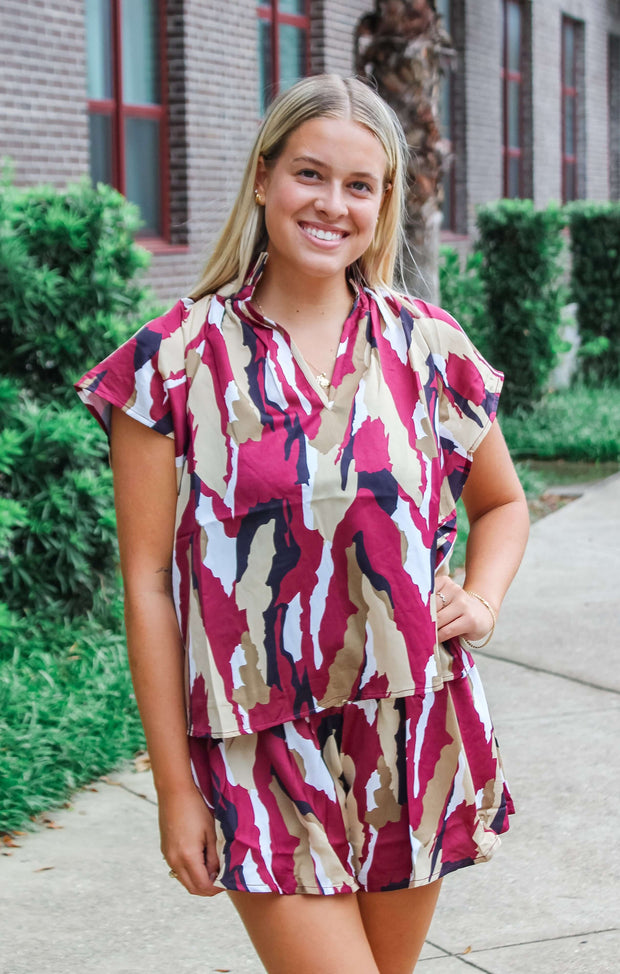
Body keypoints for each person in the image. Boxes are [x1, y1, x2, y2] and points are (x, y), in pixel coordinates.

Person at [76, 74, 529, 974]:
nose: (332, 204)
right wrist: (175, 790)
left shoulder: (427, 345)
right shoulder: (171, 361)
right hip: (255, 745)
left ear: (384, 201)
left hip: (412, 729)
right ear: (262, 178)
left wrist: (481, 600)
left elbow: (503, 501)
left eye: (359, 185)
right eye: (309, 174)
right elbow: (146, 582)